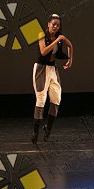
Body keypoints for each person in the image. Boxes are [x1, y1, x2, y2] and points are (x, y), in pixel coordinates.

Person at [31, 14, 73, 144]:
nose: (55, 27)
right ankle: (35, 132)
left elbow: (70, 45)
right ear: (48, 24)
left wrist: (70, 60)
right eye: (53, 24)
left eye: (58, 25)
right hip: (41, 69)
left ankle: (48, 129)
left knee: (56, 100)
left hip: (53, 69)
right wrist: (57, 40)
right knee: (41, 100)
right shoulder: (41, 35)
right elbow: (43, 51)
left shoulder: (59, 37)